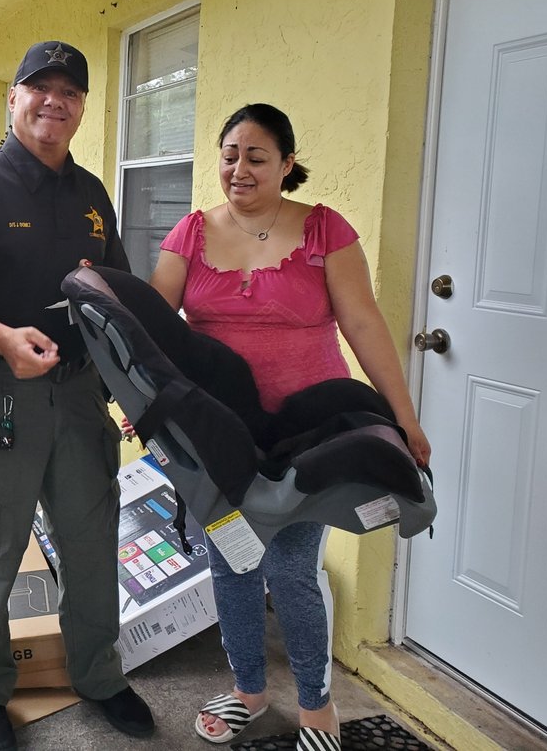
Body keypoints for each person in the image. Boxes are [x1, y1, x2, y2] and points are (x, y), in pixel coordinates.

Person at [146, 103, 432, 750]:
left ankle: (316, 704)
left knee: (289, 568)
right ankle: (249, 689)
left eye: (256, 156)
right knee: (231, 564)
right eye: (229, 155)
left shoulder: (326, 231)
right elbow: (150, 329)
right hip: (221, 439)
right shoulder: (189, 234)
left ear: (287, 164)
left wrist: (404, 417)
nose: (238, 169)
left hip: (306, 437)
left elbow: (363, 325)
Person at [0, 41, 155, 751]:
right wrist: (1, 338)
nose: (54, 101)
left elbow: (114, 289)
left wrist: (137, 389)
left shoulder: (92, 195)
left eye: (70, 91)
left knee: (92, 546)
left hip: (80, 396)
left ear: (84, 106)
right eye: (40, 88)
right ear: (13, 98)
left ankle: (99, 675)